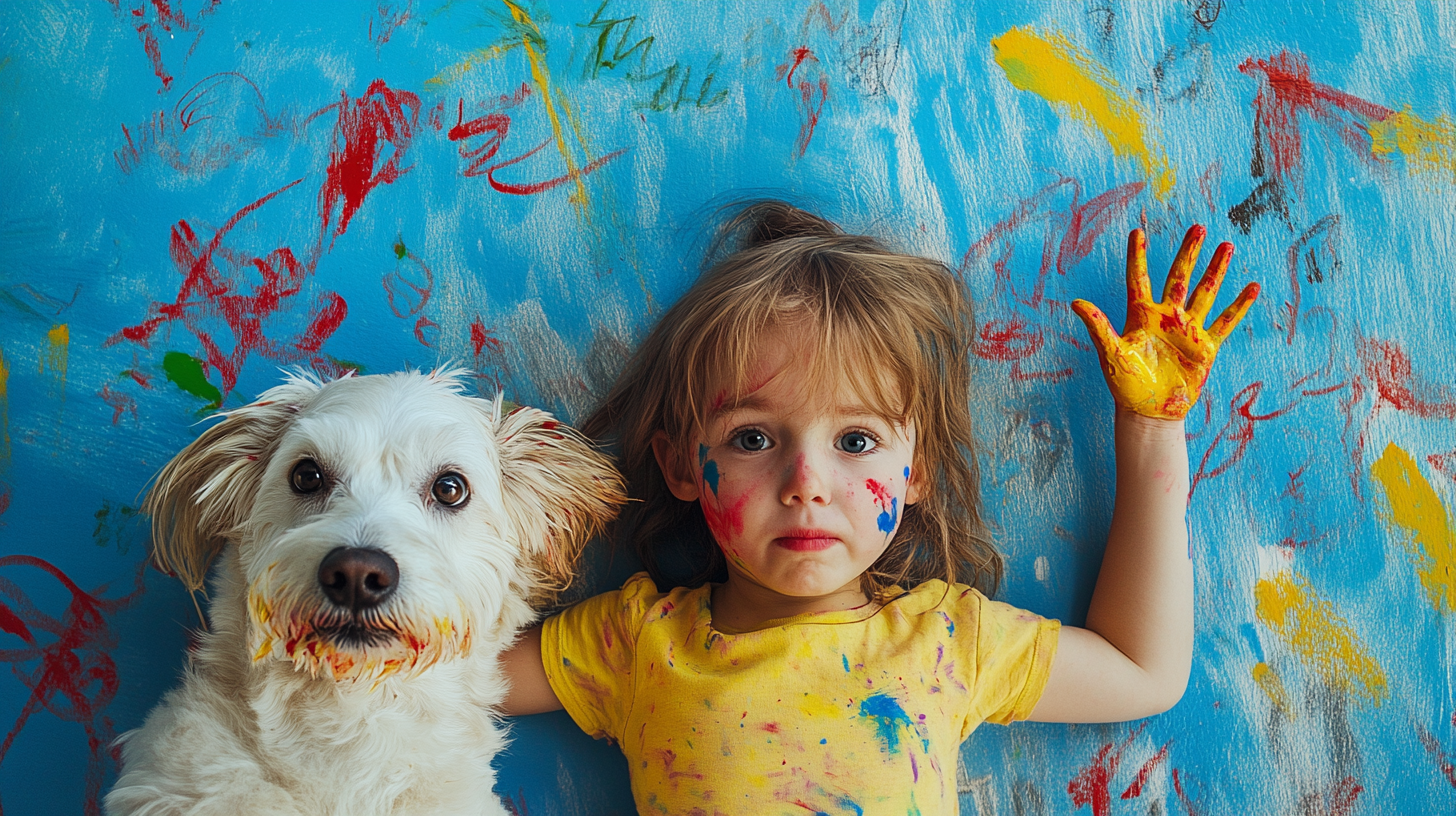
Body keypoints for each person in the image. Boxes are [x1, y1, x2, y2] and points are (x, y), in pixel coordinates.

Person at [499, 201, 1259, 814]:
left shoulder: (947, 644)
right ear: (680, 466)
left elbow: (1143, 671)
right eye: (754, 436)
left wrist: (1154, 430)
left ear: (917, 468)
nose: (806, 481)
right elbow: (425, 673)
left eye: (855, 440)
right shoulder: (633, 645)